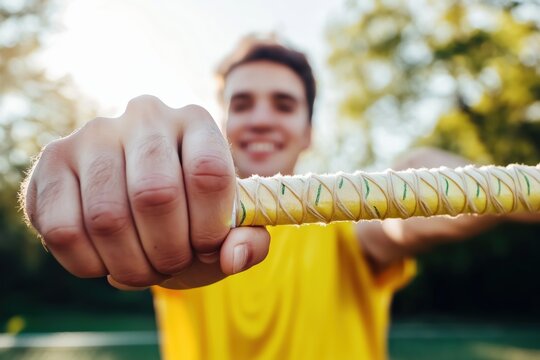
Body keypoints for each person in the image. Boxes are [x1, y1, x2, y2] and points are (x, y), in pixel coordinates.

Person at [21, 35, 537, 360]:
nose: (262, 118)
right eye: (243, 103)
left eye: (284, 104)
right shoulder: (170, 212)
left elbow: (413, 210)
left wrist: (497, 187)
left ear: (308, 132)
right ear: (223, 124)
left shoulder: (351, 231)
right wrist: (81, 175)